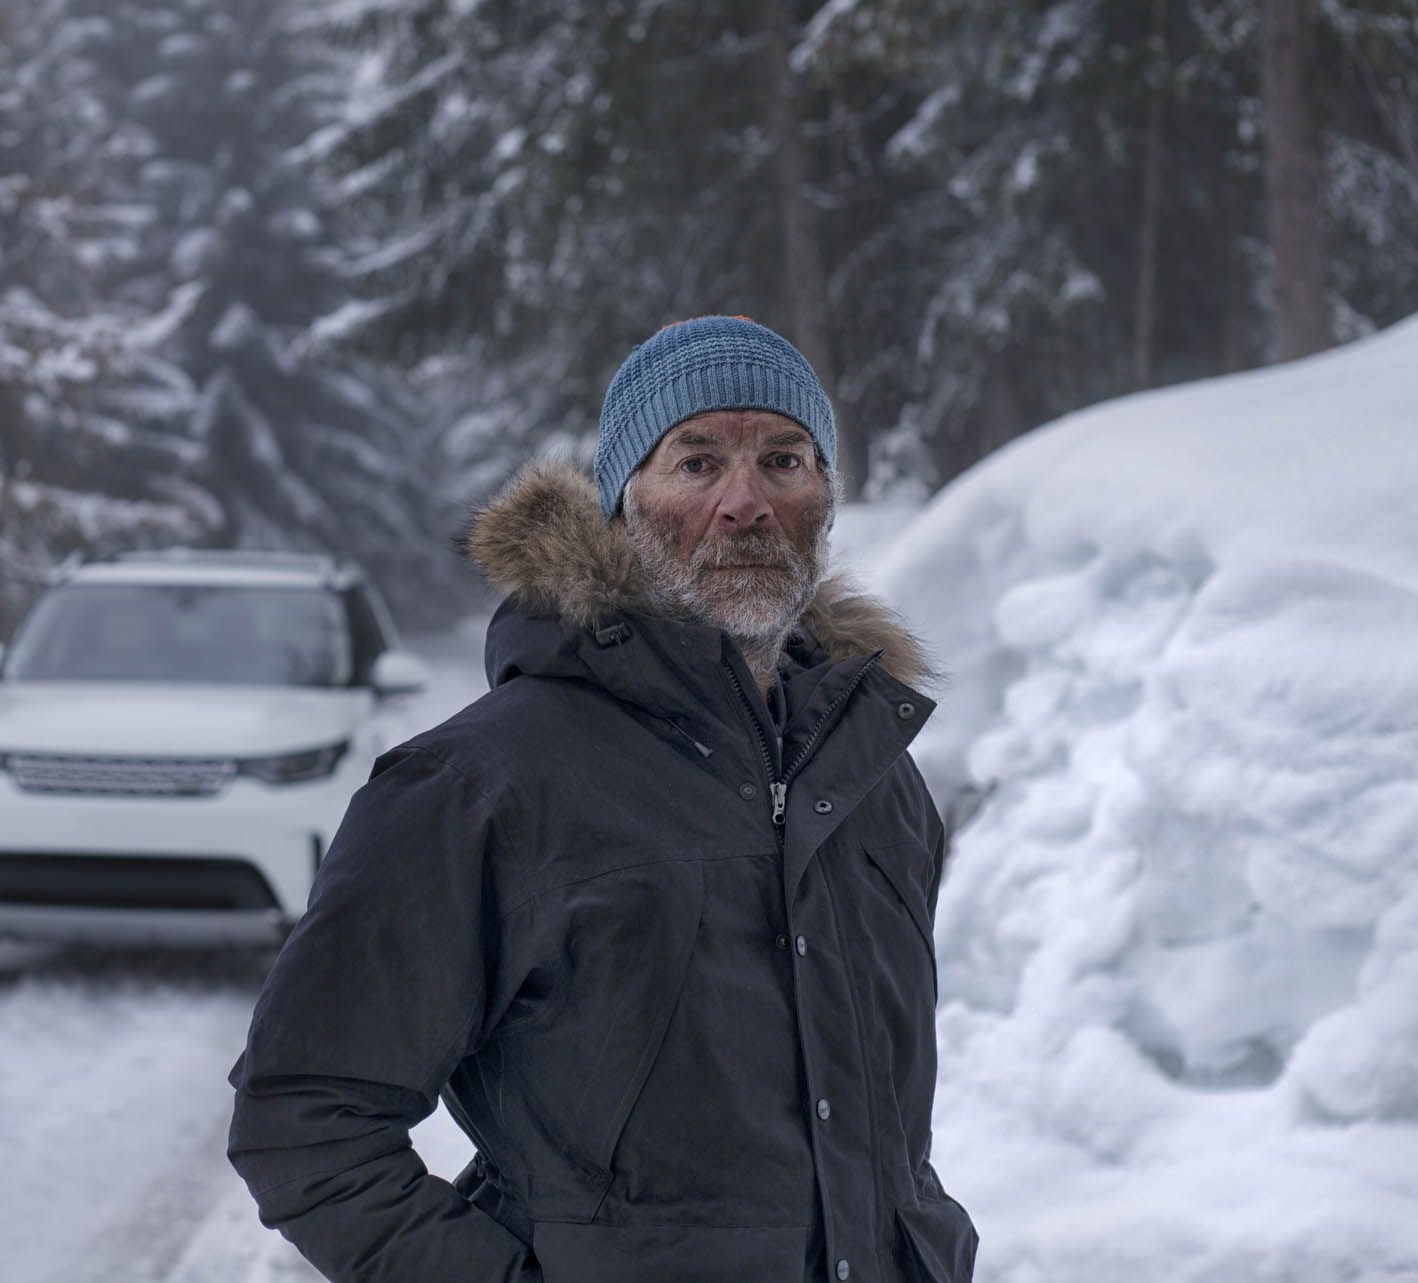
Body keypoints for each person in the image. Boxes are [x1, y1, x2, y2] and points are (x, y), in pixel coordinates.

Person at [225, 315, 979, 1283]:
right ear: (623, 504)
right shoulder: (480, 785)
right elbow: (304, 1118)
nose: (746, 501)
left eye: (784, 460)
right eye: (696, 461)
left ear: (827, 499)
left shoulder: (873, 777)